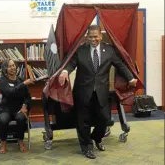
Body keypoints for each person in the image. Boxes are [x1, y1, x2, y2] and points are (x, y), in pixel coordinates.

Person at [58, 25, 137, 159]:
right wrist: (65, 71)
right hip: (83, 91)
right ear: (86, 37)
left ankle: (96, 137)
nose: (93, 39)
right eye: (90, 36)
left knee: (105, 119)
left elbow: (120, 65)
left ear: (100, 36)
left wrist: (130, 78)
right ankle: (87, 147)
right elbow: (71, 63)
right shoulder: (80, 50)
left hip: (101, 92)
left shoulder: (109, 50)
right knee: (83, 121)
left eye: (95, 36)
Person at [0, 59, 34, 154]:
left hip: (19, 108)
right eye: (10, 66)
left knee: (21, 118)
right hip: (6, 108)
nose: (13, 67)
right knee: (3, 119)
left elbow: (28, 96)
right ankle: (3, 142)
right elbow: (10, 92)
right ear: (5, 69)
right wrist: (23, 84)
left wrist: (25, 105)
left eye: (13, 65)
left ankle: (20, 141)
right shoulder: (2, 80)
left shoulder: (21, 79)